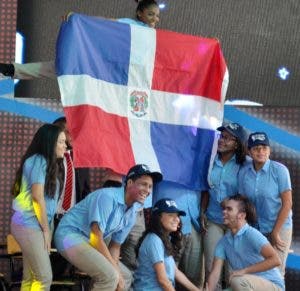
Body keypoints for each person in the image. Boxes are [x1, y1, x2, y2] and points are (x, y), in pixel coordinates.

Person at [54, 164, 162, 291]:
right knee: (110, 276)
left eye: (150, 186)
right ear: (130, 183)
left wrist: (118, 274)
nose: (148, 190)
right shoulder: (107, 197)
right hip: (69, 236)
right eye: (143, 184)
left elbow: (115, 247)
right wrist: (115, 272)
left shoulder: (133, 211)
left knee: (125, 276)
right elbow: (96, 238)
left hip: (90, 242)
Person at [0, 0, 160, 80]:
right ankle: (10, 70)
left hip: (125, 75)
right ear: (140, 13)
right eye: (151, 14)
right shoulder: (130, 24)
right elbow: (105, 21)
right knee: (60, 67)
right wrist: (79, 19)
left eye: (157, 15)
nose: (155, 18)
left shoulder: (157, 36)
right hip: (108, 65)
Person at [10, 124, 66, 290]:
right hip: (30, 224)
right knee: (44, 277)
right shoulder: (39, 160)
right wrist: (46, 230)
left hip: (33, 224)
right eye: (61, 142)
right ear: (50, 143)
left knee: (31, 277)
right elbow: (37, 196)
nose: (65, 146)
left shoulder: (44, 162)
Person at [238, 131, 293, 276]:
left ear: (269, 150)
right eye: (256, 148)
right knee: (256, 272)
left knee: (276, 274)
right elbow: (243, 203)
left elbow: (287, 204)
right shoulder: (244, 172)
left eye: (264, 148)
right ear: (249, 151)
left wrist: (275, 232)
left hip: (279, 227)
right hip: (255, 228)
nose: (260, 151)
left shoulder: (280, 170)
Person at [200, 122, 247, 288]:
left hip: (236, 225)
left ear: (237, 143)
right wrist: (202, 212)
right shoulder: (211, 159)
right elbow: (206, 187)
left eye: (228, 138)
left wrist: (230, 202)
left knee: (233, 273)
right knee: (212, 269)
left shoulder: (245, 164)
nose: (222, 140)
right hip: (213, 220)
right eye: (221, 136)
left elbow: (247, 194)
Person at [207, 194, 284, 291]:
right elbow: (215, 273)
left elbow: (275, 260)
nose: (224, 212)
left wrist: (244, 271)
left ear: (241, 215)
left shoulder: (252, 234)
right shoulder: (223, 242)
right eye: (224, 209)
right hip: (246, 284)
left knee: (237, 281)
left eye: (229, 209)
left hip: (273, 285)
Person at [133, 198, 201, 291]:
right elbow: (163, 280)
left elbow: (175, 272)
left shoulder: (164, 238)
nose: (176, 219)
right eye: (170, 215)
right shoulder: (154, 240)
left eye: (177, 215)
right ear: (158, 218)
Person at [153, 181, 204, 288]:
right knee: (167, 274)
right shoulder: (153, 240)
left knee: (193, 276)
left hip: (194, 221)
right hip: (166, 223)